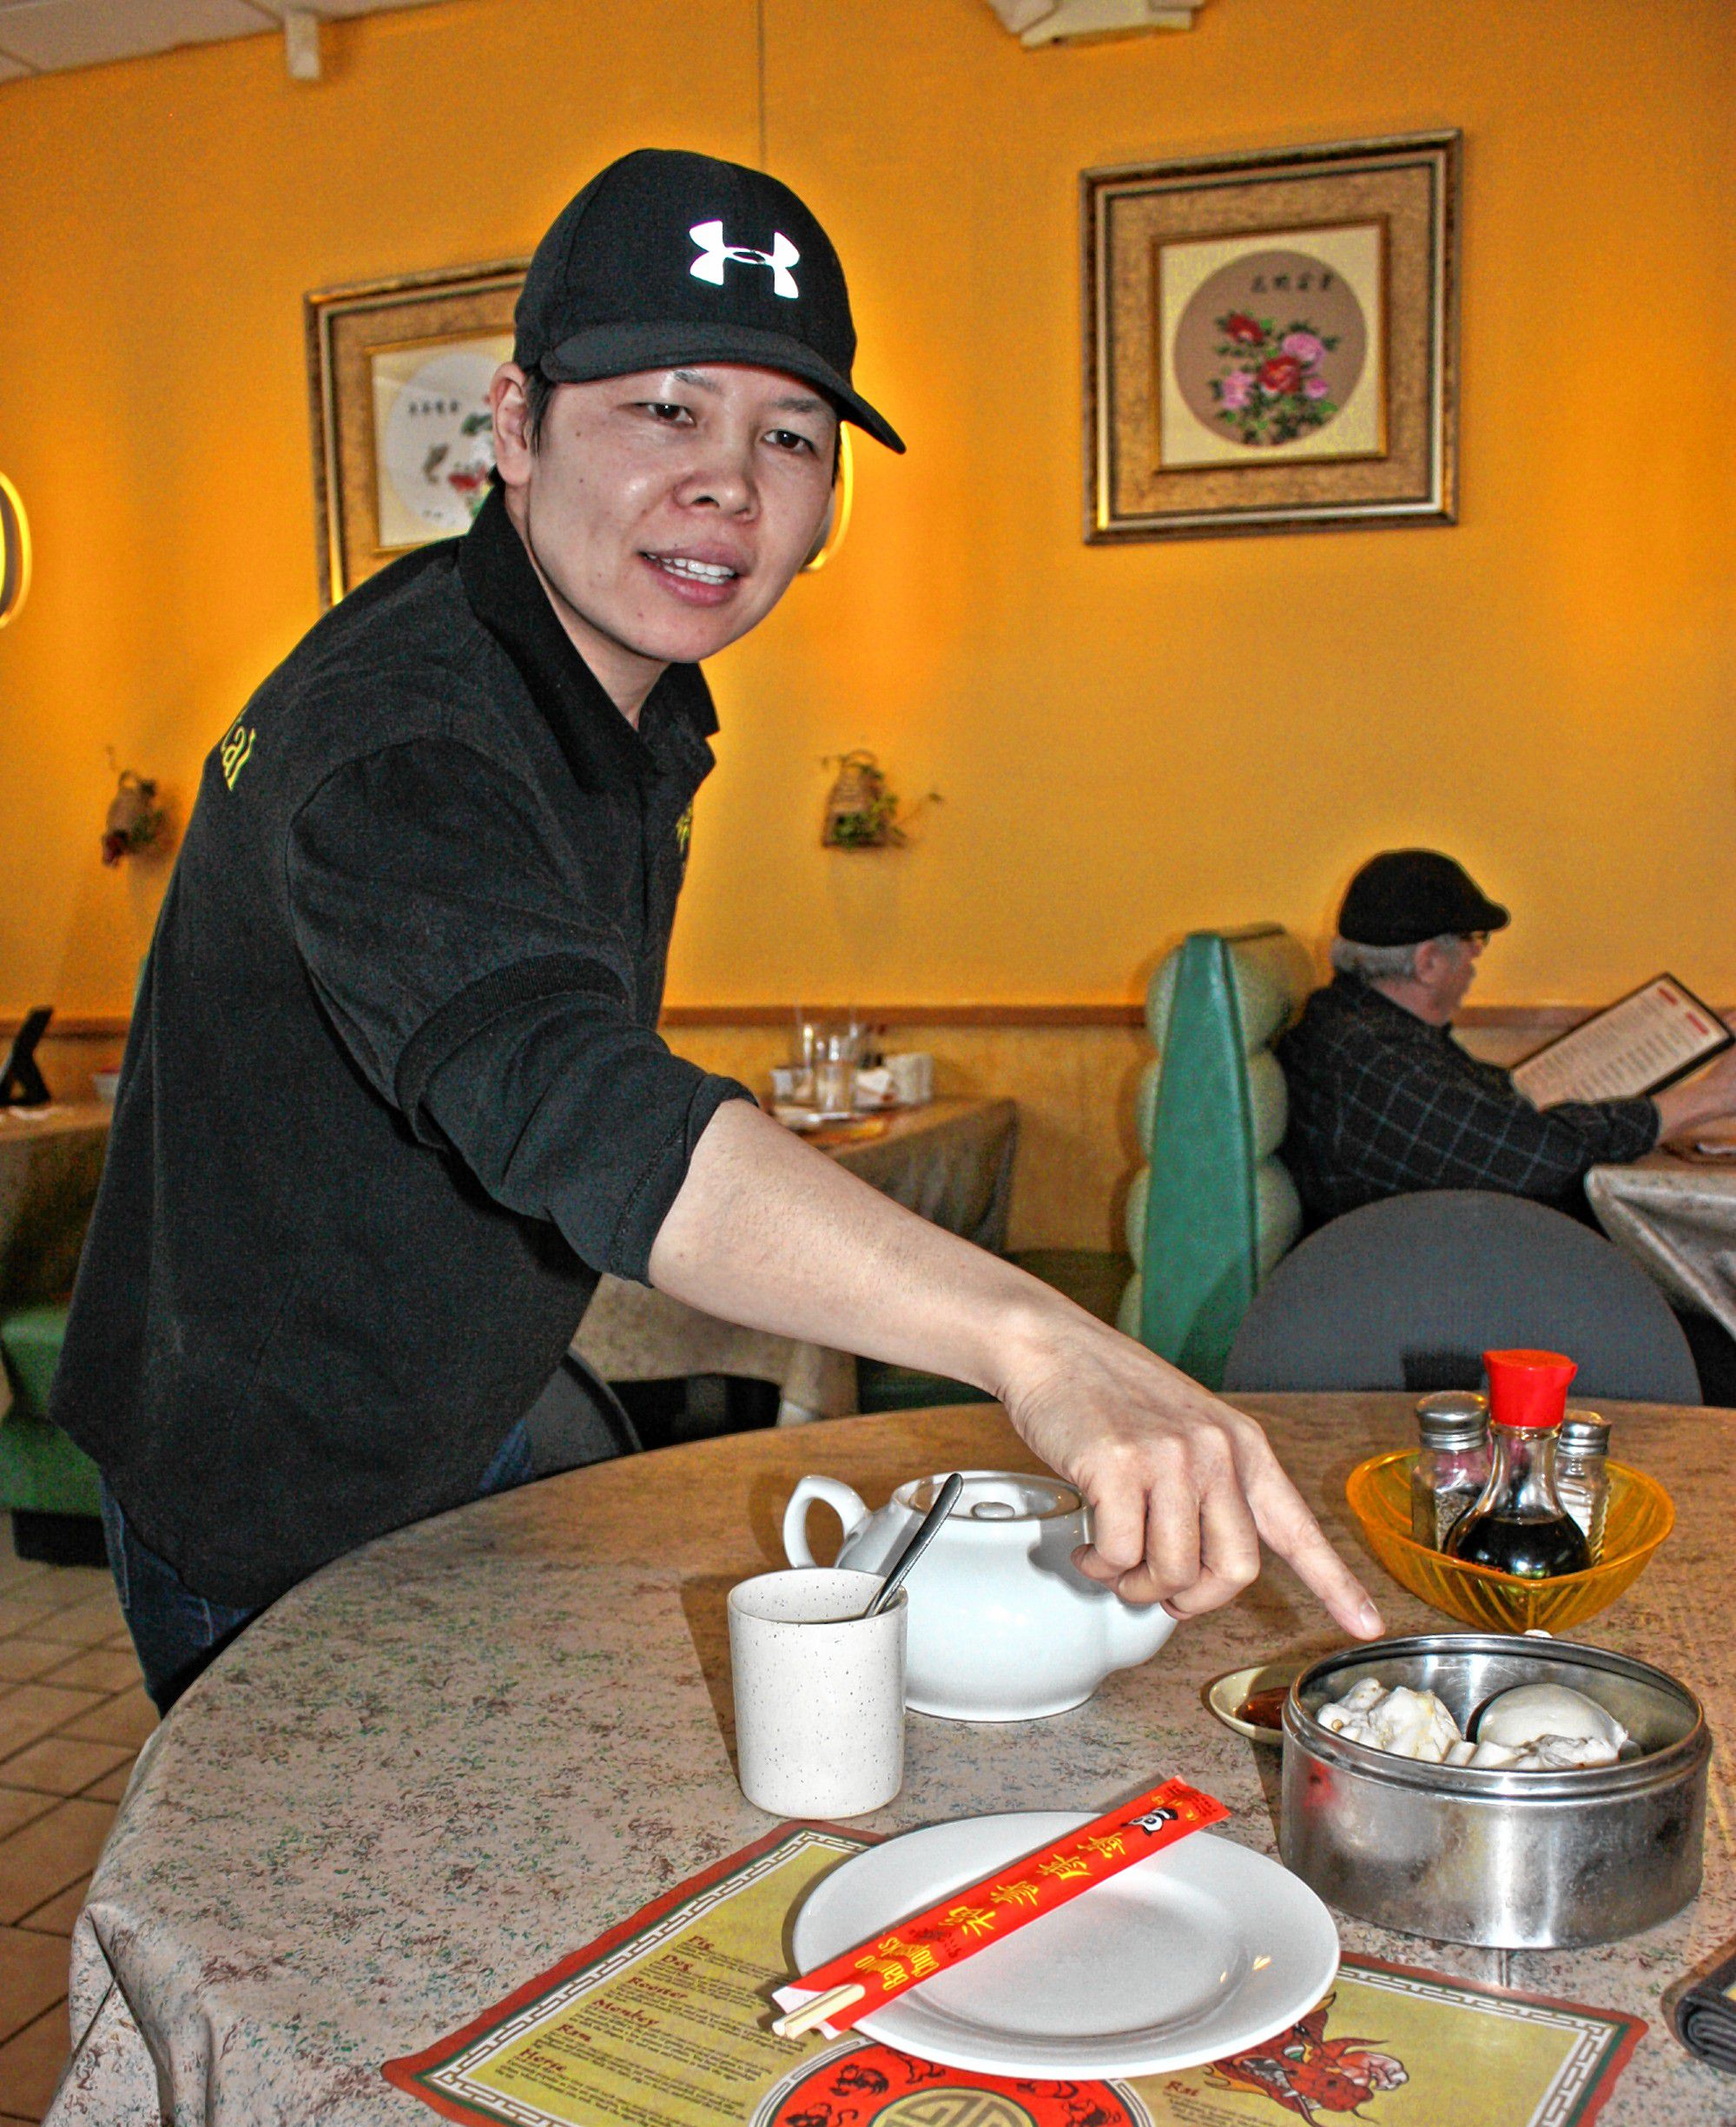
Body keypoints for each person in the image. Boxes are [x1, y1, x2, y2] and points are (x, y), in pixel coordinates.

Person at [53, 149, 1380, 1711]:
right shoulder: (407, 734)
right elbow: (581, 1104)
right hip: (272, 1465)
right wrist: (1033, 1341)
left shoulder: (620, 692)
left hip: (449, 1398)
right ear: (512, 427)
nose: (729, 483)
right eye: (664, 408)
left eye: (789, 436)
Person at [1277, 848, 1736, 1228]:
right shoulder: (1376, 1059)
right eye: (1472, 938)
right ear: (1427, 963)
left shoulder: (1366, 1024)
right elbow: (1540, 1156)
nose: (1477, 953)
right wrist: (1710, 1097)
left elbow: (1495, 1112)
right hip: (1435, 1280)